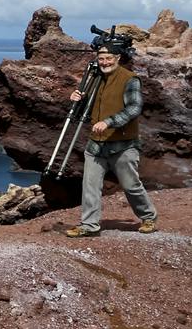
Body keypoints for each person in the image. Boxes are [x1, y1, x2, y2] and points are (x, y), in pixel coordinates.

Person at [65, 45, 158, 237]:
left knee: (131, 185)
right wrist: (77, 99)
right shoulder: (95, 79)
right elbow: (85, 110)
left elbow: (134, 108)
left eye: (108, 58)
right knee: (90, 186)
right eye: (101, 59)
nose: (105, 62)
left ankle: (148, 217)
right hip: (96, 144)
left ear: (118, 58)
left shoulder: (130, 79)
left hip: (123, 144)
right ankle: (89, 225)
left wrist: (109, 122)